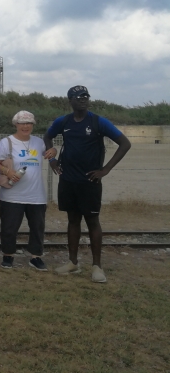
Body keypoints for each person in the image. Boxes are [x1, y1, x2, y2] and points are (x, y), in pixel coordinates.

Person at [44, 85, 131, 283]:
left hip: (90, 181)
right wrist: (52, 160)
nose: (83, 99)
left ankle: (97, 267)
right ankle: (72, 262)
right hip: (68, 180)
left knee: (92, 222)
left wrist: (106, 169)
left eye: (86, 96)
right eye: (78, 96)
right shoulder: (63, 121)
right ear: (70, 101)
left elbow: (125, 144)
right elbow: (47, 137)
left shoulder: (98, 122)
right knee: (73, 221)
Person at [0, 111, 55, 271]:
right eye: (22, 123)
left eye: (29, 123)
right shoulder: (6, 142)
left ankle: (35, 257)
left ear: (33, 125)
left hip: (36, 195)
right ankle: (8, 255)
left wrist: (54, 152)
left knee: (37, 227)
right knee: (9, 227)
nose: (25, 126)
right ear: (16, 124)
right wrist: (9, 172)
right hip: (12, 195)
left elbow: (50, 153)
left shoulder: (39, 142)